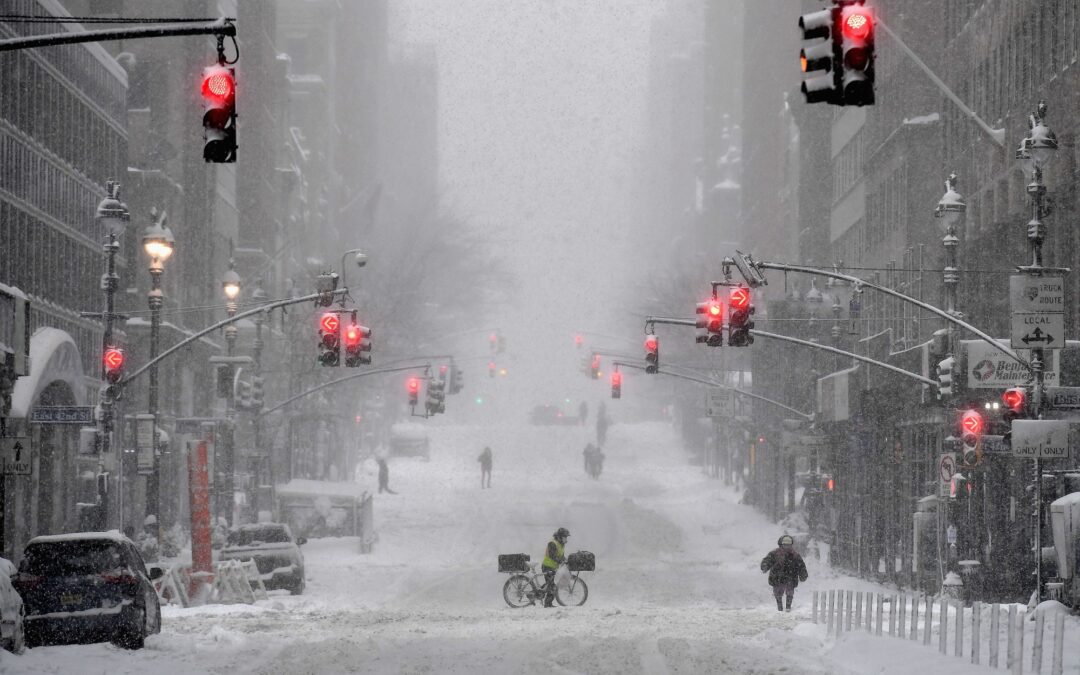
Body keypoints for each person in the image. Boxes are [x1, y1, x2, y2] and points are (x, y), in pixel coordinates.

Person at [760, 534, 808, 612]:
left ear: (791, 545)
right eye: (785, 545)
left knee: (790, 592)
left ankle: (788, 607)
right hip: (777, 577)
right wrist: (765, 566)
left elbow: (801, 565)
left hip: (790, 577)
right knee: (778, 592)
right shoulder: (774, 553)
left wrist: (803, 574)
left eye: (788, 545)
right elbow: (767, 560)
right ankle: (780, 607)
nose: (786, 547)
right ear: (781, 544)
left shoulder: (795, 555)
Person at [541, 527, 570, 607]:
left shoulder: (561, 545)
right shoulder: (552, 543)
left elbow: (561, 556)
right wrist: (560, 561)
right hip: (547, 566)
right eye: (565, 537)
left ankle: (541, 593)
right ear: (560, 536)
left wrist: (566, 560)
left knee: (551, 583)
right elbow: (552, 555)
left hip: (553, 567)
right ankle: (548, 603)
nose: (566, 539)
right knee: (552, 585)